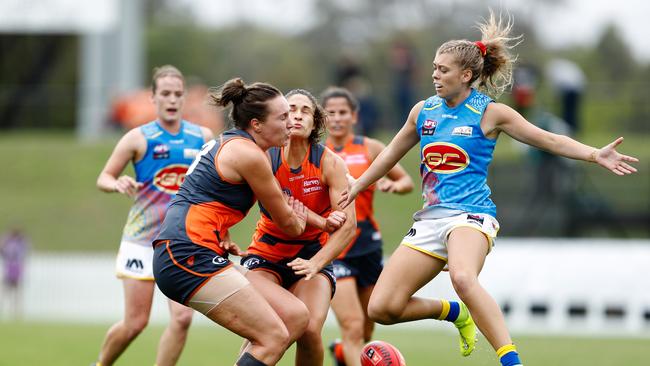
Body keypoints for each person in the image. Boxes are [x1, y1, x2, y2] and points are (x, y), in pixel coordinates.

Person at [339, 11, 639, 366]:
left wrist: (594, 154)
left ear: (466, 75)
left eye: (443, 70)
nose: (435, 75)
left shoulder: (491, 113)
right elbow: (390, 154)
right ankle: (453, 313)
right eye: (434, 67)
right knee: (382, 308)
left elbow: (548, 140)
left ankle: (511, 360)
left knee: (464, 278)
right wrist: (359, 183)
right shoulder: (423, 111)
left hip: (471, 216)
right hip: (430, 219)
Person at [152, 78, 312, 366]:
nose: (291, 123)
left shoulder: (234, 145)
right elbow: (288, 223)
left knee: (294, 317)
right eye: (283, 116)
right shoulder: (249, 154)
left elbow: (204, 198)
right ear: (257, 124)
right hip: (186, 254)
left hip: (189, 249)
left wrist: (219, 233)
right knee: (274, 336)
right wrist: (300, 219)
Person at [93, 65, 213, 366]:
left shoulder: (202, 137)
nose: (171, 100)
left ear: (184, 97)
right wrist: (117, 182)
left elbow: (214, 189)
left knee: (183, 317)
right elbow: (103, 178)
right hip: (142, 239)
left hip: (180, 241)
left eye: (177, 94)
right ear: (153, 97)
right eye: (165, 94)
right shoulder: (138, 138)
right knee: (135, 322)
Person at [239, 88, 357, 366]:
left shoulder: (330, 162)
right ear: (279, 117)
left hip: (310, 254)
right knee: (264, 325)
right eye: (290, 110)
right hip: (267, 254)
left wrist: (317, 263)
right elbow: (278, 207)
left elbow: (347, 227)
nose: (297, 116)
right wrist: (323, 221)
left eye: (306, 111)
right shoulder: (265, 157)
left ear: (315, 122)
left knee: (310, 330)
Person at [320, 86, 414, 366]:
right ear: (323, 118)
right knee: (352, 326)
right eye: (331, 113)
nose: (336, 118)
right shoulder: (317, 152)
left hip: (367, 243)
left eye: (342, 113)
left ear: (354, 116)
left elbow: (406, 181)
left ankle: (341, 354)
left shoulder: (369, 147)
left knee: (368, 325)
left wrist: (393, 185)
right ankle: (346, 349)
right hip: (336, 245)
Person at [0, 227, 30, 319]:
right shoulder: (19, 243)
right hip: (14, 268)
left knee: (13, 291)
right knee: (12, 291)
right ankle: (15, 311)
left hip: (13, 268)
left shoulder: (15, 243)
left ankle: (16, 311)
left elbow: (3, 251)